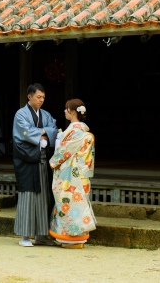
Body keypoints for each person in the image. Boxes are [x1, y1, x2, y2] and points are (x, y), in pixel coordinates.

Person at [12, 83, 58, 247]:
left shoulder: (45, 114)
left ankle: (41, 235)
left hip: (43, 160)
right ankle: (25, 236)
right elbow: (24, 133)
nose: (41, 100)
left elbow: (53, 128)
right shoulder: (21, 114)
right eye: (38, 97)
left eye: (43, 97)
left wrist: (43, 134)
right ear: (29, 96)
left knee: (45, 196)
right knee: (28, 196)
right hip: (27, 160)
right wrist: (43, 136)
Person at [49, 98, 96, 248]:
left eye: (66, 108)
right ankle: (76, 238)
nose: (64, 111)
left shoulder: (75, 132)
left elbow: (64, 151)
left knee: (69, 205)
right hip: (82, 174)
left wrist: (53, 162)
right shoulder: (84, 132)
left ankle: (72, 238)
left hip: (72, 175)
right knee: (78, 205)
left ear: (73, 112)